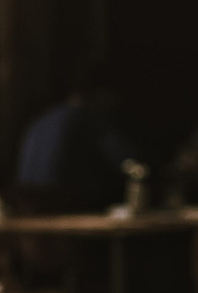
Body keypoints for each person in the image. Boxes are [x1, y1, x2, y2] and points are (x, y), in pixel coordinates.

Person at [15, 65, 138, 210]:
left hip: (27, 206)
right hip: (62, 205)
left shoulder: (42, 119)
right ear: (103, 94)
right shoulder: (85, 116)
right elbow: (128, 160)